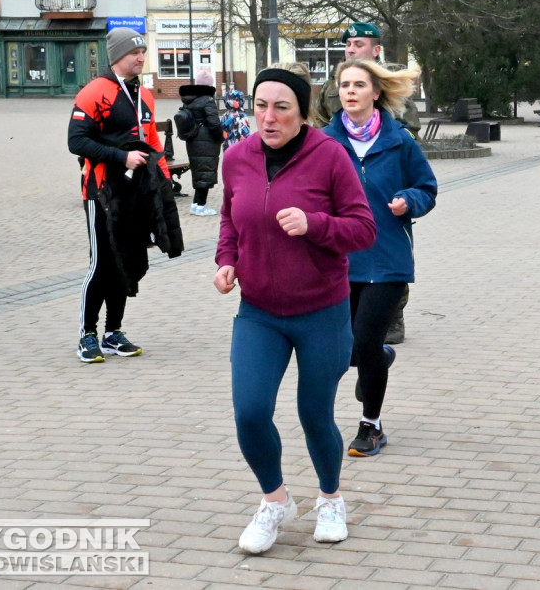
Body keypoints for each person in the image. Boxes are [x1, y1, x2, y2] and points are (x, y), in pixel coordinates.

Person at [215, 67, 376, 552]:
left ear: (302, 114)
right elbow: (229, 219)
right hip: (259, 312)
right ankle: (275, 501)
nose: (267, 117)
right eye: (260, 105)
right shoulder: (236, 158)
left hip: (321, 310)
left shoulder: (329, 156)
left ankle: (330, 498)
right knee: (249, 411)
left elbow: (363, 228)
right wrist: (226, 262)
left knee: (314, 413)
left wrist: (315, 224)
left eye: (281, 107)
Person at [322, 59, 438, 458]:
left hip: (387, 260)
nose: (349, 91)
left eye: (358, 84)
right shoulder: (323, 142)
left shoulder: (399, 141)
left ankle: (371, 425)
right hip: (339, 259)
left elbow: (427, 187)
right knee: (347, 348)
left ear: (376, 92)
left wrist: (410, 201)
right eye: (344, 85)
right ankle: (378, 360)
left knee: (368, 338)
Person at [68, 27, 184, 363]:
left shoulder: (145, 95)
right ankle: (87, 335)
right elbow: (76, 141)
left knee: (126, 261)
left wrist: (161, 182)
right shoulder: (93, 92)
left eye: (144, 51)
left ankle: (112, 332)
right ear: (118, 55)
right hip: (101, 192)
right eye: (136, 52)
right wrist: (121, 157)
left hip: (135, 194)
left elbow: (152, 142)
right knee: (102, 263)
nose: (141, 57)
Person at [313, 21, 420, 345]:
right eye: (348, 44)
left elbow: (408, 131)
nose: (350, 48)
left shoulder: (390, 92)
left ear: (375, 50)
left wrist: (384, 151)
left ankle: (392, 317)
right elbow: (320, 123)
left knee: (385, 263)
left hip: (384, 195)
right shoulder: (333, 89)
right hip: (343, 208)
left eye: (358, 44)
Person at [179, 69, 225, 216]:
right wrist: (220, 137)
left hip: (193, 139)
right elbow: (214, 123)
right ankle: (201, 206)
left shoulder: (189, 99)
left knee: (199, 172)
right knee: (205, 172)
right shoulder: (207, 100)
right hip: (206, 140)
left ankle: (196, 204)